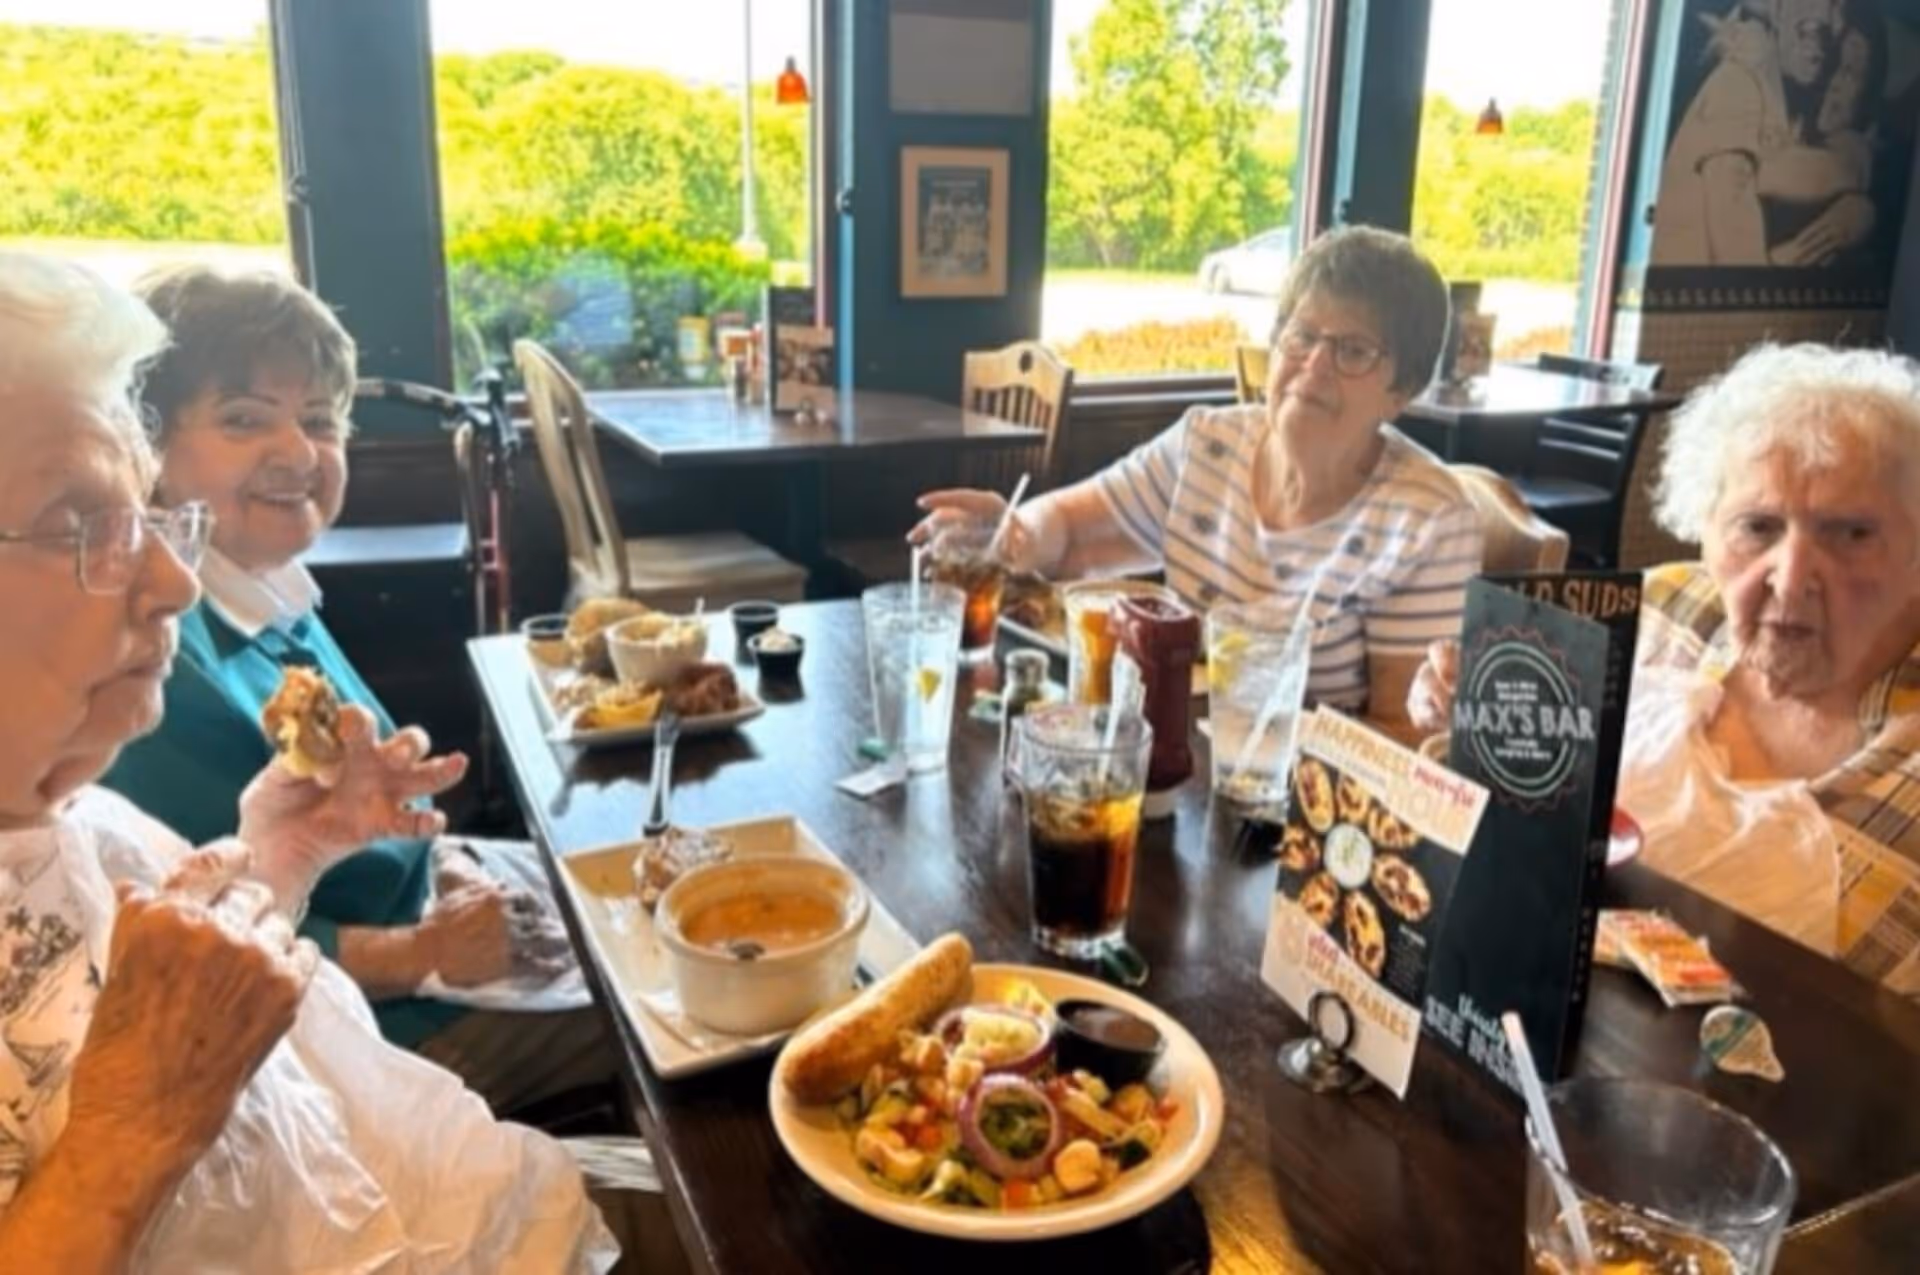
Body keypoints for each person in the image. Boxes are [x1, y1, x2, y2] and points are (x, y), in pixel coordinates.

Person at [0, 250, 619, 1271]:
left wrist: (277, 865)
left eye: (151, 522)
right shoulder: (153, 711)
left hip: (428, 1200)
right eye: (84, 527)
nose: (173, 581)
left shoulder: (71, 810)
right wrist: (129, 1136)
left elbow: (201, 984)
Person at [100, 265, 609, 1114]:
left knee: (638, 902)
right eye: (243, 420)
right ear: (143, 445)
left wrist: (448, 867)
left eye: (318, 420)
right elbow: (181, 950)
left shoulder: (266, 584)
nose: (299, 452)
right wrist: (424, 949)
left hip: (432, 909)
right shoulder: (156, 659)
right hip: (357, 1038)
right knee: (674, 1022)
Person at [1410, 343, 1920, 995]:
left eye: (1850, 533)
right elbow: (1522, 786)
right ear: (1704, 527)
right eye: (1758, 526)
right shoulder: (1661, 607)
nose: (1791, 580)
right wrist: (1471, 709)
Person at [916, 226, 1483, 739]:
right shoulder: (1209, 443)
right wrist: (1011, 533)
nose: (1314, 365)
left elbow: (1406, 735)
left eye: (1353, 351)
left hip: (1300, 807)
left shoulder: (1428, 517)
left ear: (1402, 391)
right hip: (1168, 760)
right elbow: (1068, 530)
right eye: (1301, 336)